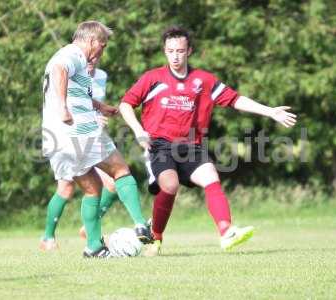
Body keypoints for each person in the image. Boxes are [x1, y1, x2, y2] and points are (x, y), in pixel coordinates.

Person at [119, 26, 297, 256]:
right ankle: (157, 236)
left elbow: (235, 99)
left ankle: (226, 232)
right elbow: (125, 103)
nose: (175, 56)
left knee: (211, 178)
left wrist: (270, 111)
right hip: (160, 144)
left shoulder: (203, 80)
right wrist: (138, 130)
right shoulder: (153, 78)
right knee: (170, 185)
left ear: (189, 51)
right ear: (164, 51)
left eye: (180, 51)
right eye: (171, 51)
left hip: (191, 146)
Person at [41, 21, 151, 258]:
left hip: (55, 138)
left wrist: (101, 107)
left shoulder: (66, 56)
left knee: (93, 189)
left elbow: (71, 88)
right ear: (91, 41)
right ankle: (141, 224)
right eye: (102, 44)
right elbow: (61, 69)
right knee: (120, 170)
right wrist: (63, 109)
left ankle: (93, 247)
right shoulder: (73, 54)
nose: (102, 50)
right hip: (79, 131)